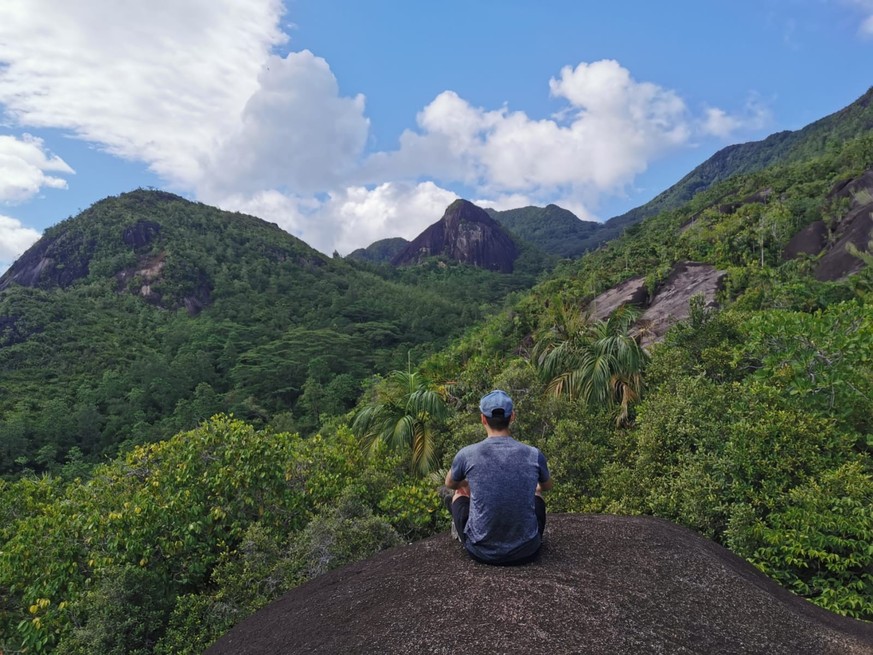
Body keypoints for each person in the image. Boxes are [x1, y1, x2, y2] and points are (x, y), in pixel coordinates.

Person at [443, 389, 552, 565]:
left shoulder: (467, 454)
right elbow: (546, 486)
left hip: (481, 552)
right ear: (513, 416)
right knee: (537, 494)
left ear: (483, 419)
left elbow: (450, 483)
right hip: (527, 551)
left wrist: (468, 484)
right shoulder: (533, 454)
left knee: (458, 494)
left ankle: (463, 529)